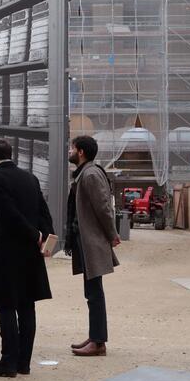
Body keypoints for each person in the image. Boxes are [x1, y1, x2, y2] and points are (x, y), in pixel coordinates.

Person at [0, 138, 54, 378]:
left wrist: (32, 233)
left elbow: (7, 212)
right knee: (26, 305)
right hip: (31, 252)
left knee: (5, 305)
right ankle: (24, 362)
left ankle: (8, 361)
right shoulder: (29, 177)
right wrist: (44, 236)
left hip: (9, 249)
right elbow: (43, 211)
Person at [64, 135, 119, 357]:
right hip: (86, 240)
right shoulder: (85, 173)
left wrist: (112, 234)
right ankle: (95, 336)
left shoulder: (91, 174)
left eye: (72, 148)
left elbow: (104, 207)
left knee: (95, 292)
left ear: (81, 152)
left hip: (92, 240)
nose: (69, 151)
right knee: (92, 292)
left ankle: (98, 342)